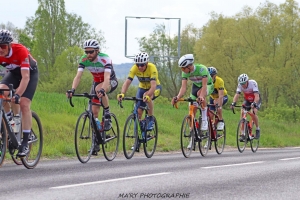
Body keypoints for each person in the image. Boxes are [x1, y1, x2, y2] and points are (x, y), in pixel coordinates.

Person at [67, 39, 118, 155]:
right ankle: (96, 142)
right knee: (93, 114)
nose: (88, 54)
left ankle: (107, 114)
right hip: (96, 82)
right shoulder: (84, 60)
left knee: (98, 89)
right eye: (86, 52)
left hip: (110, 81)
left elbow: (106, 79)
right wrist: (72, 90)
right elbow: (78, 76)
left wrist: (103, 89)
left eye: (91, 52)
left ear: (97, 51)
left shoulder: (105, 59)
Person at [0, 29, 39, 157]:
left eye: (3, 46)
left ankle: (25, 142)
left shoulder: (20, 50)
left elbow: (26, 77)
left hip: (29, 74)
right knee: (2, 91)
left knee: (23, 103)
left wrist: (18, 94)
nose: (0, 49)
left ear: (10, 45)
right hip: (13, 73)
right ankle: (11, 118)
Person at [117, 52, 162, 130]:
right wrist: (122, 93)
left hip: (155, 87)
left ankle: (151, 119)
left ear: (147, 63)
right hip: (142, 87)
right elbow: (127, 82)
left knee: (147, 96)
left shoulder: (152, 68)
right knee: (139, 111)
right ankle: (140, 131)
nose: (140, 67)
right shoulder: (134, 68)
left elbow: (153, 86)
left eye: (142, 65)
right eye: (138, 65)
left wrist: (148, 95)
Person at [171, 54, 214, 131]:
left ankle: (204, 120)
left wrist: (201, 96)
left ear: (189, 66)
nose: (182, 70)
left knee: (200, 95)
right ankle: (192, 135)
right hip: (196, 86)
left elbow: (204, 86)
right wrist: (177, 97)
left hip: (208, 85)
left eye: (183, 68)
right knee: (191, 108)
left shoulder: (202, 69)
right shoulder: (185, 73)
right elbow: (183, 87)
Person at [230, 73, 261, 140]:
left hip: (256, 99)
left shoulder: (253, 83)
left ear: (247, 81)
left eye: (244, 83)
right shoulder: (240, 85)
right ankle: (242, 133)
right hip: (247, 100)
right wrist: (233, 103)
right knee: (242, 112)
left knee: (253, 112)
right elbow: (237, 94)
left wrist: (255, 103)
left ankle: (257, 128)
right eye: (241, 83)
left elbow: (257, 96)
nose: (243, 85)